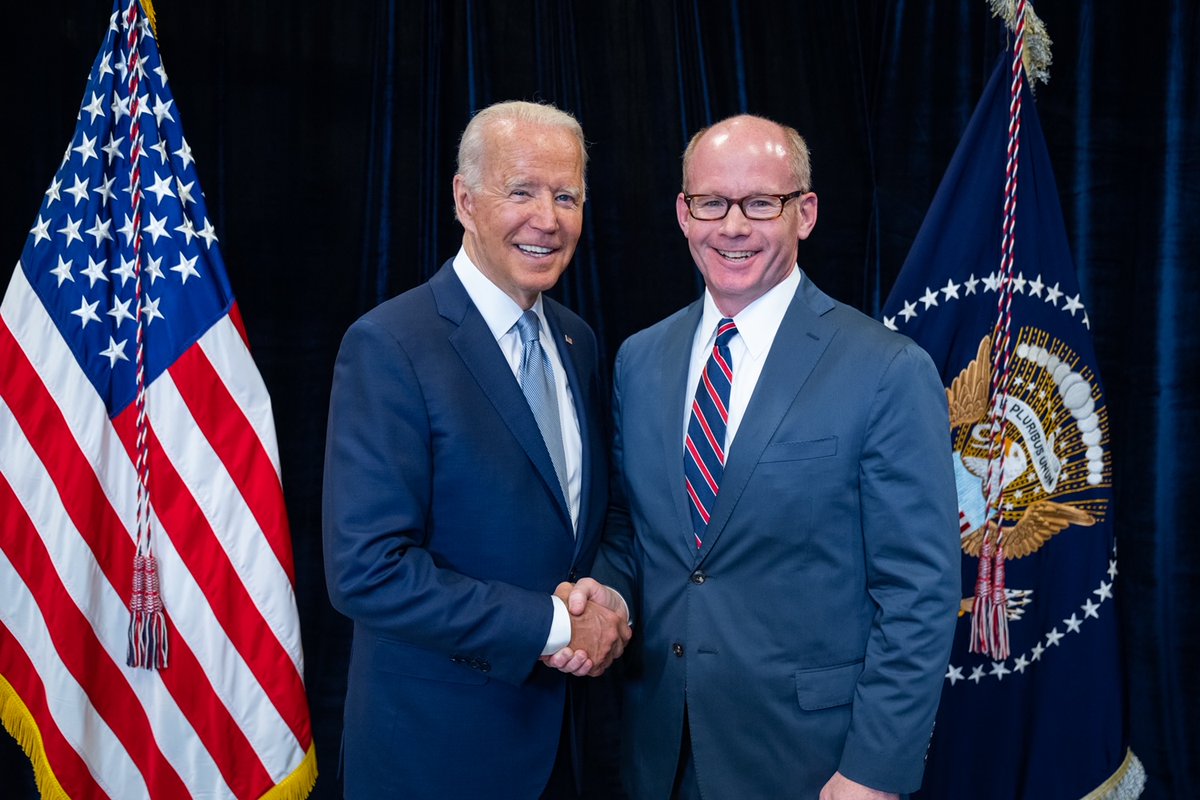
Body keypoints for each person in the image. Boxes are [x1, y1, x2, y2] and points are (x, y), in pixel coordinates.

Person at [570, 114, 960, 799]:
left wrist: (874, 770)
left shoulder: (887, 369)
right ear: (683, 215)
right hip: (659, 752)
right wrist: (603, 593)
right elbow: (637, 532)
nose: (733, 227)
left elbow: (919, 592)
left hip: (814, 764)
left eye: (761, 203)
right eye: (711, 203)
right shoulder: (641, 359)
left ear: (804, 213)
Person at [322, 100, 631, 799]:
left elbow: (596, 519)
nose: (546, 219)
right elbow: (367, 571)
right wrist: (555, 625)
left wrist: (604, 596)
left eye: (566, 196)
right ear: (465, 200)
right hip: (437, 759)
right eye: (520, 190)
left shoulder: (578, 342)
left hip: (566, 751)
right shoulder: (390, 345)